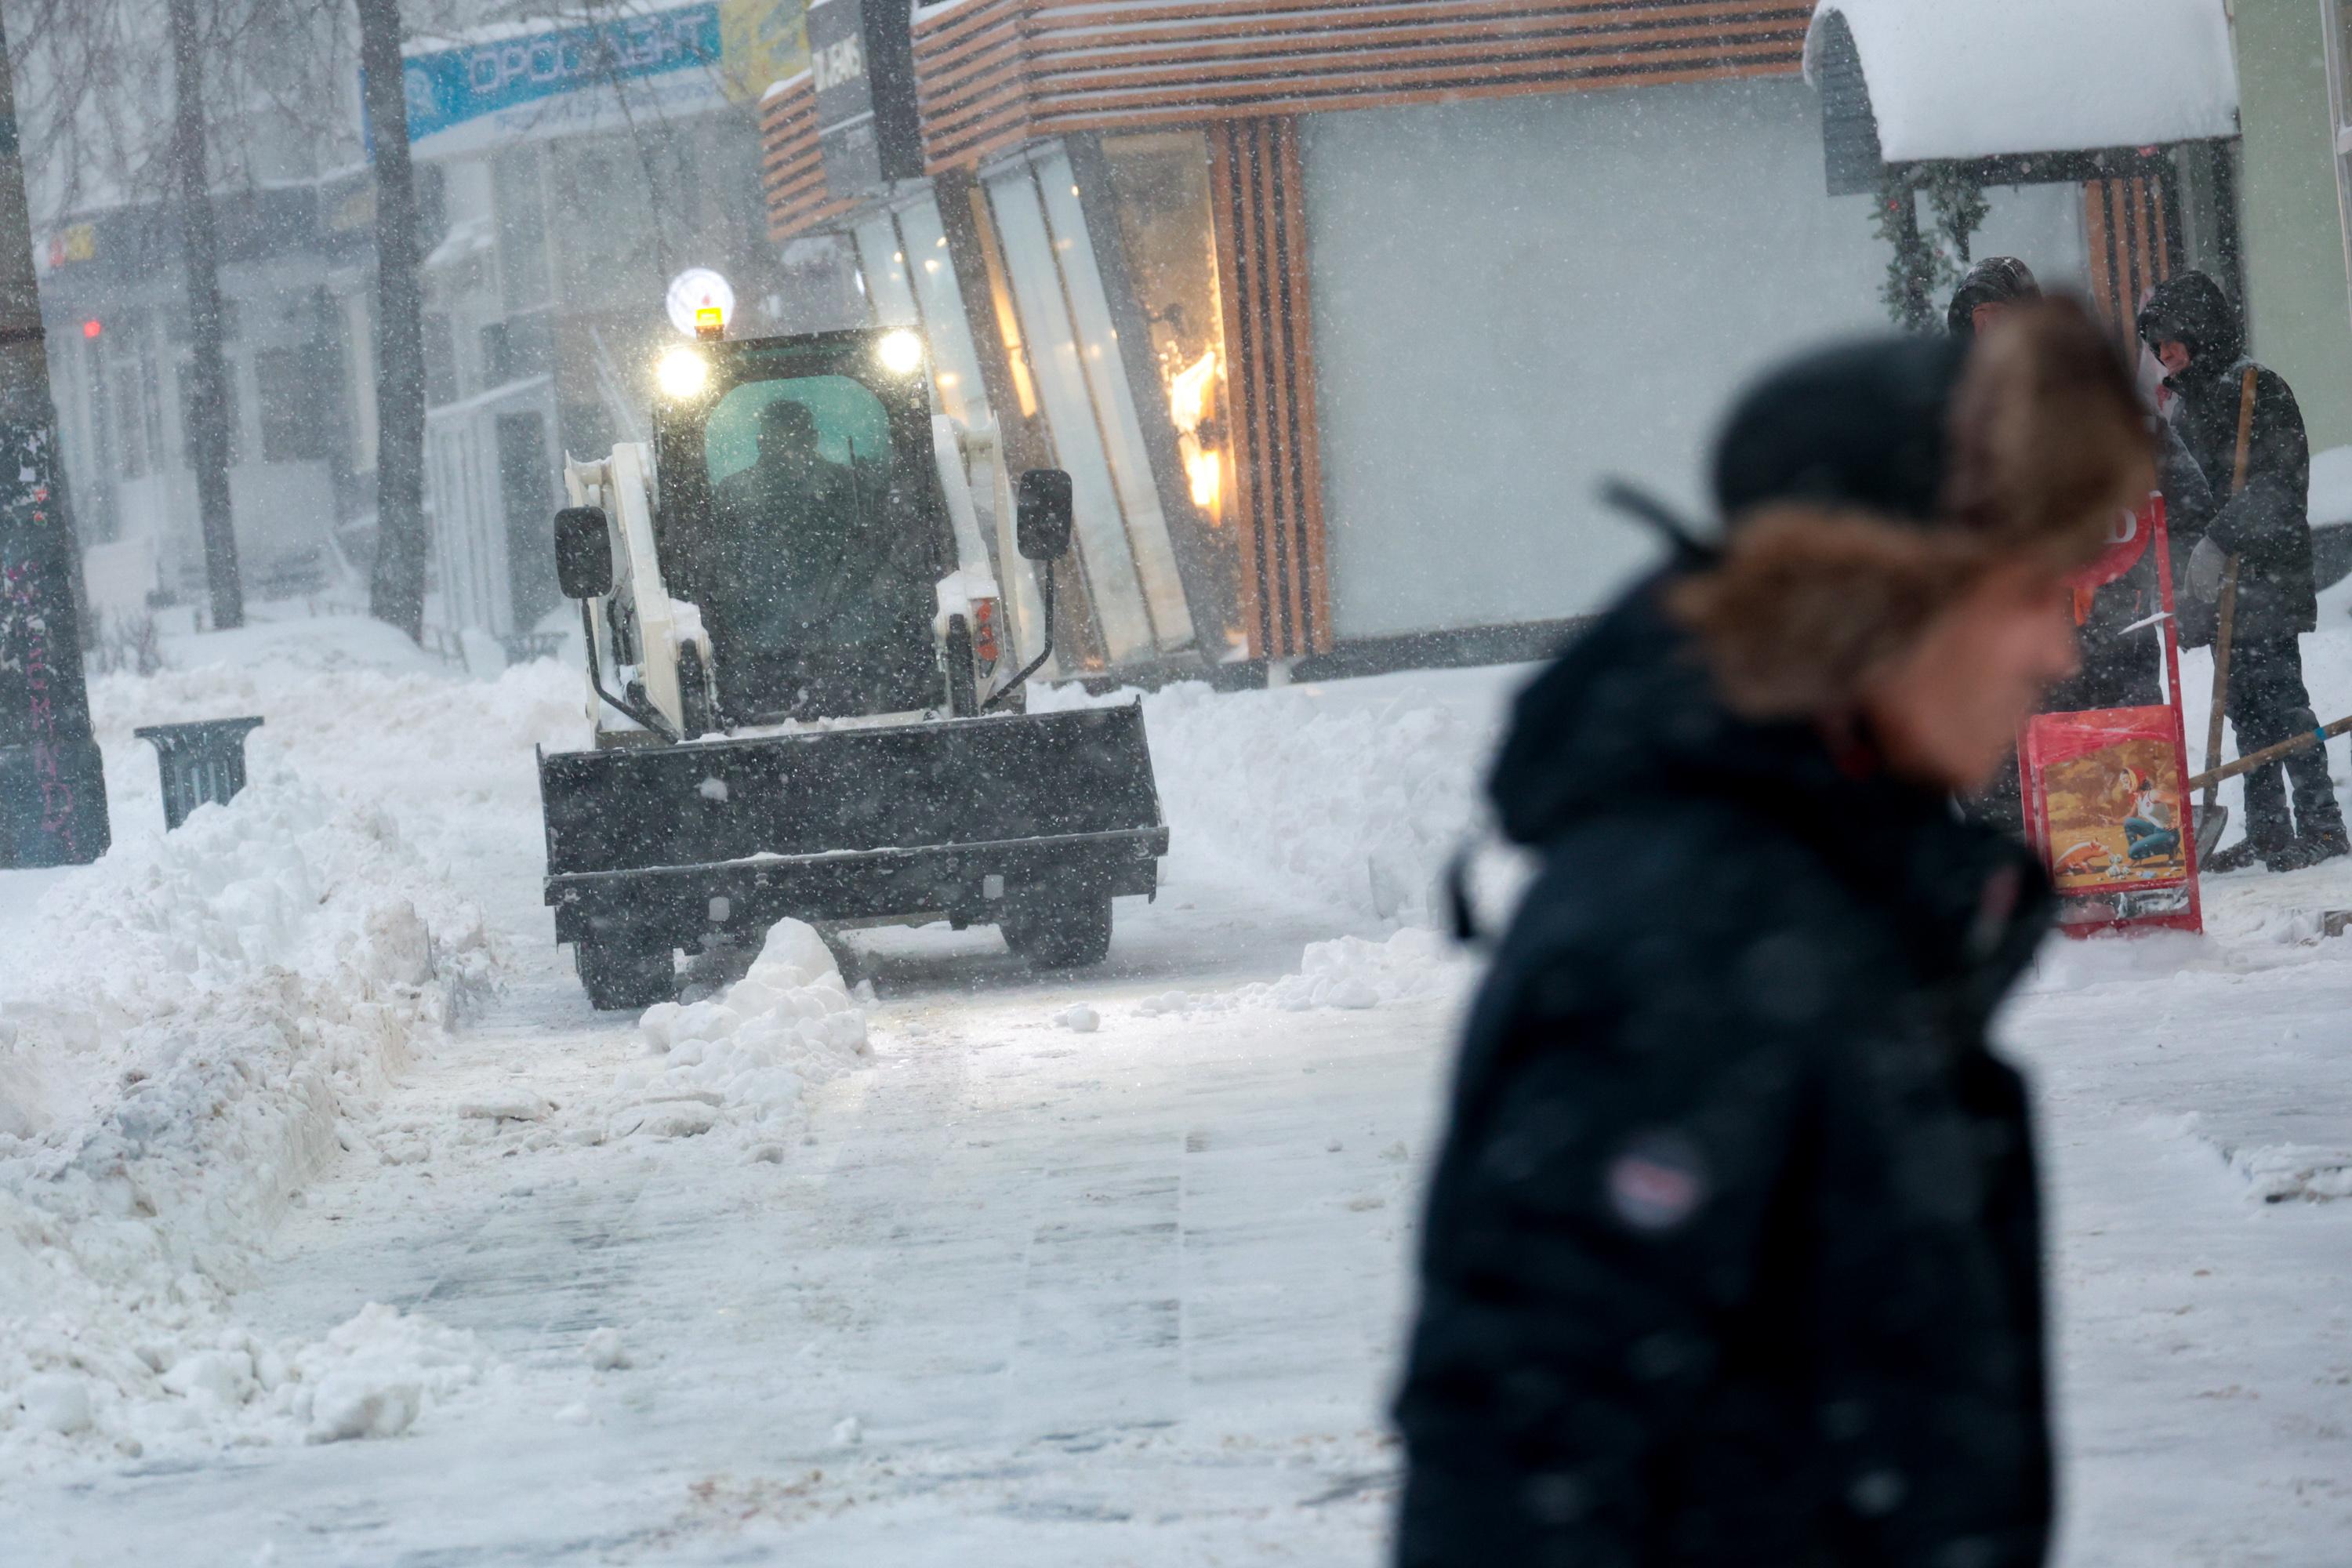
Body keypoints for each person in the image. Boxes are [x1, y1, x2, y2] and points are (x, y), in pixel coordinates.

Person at [1393, 299, 2155, 1568]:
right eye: (2030, 589)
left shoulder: (1819, 893)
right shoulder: (1686, 941)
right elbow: (1522, 1476)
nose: (2060, 646)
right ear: (1880, 604)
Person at [1947, 258, 2213, 833]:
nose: (1990, 334)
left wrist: (2168, 566)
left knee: (2118, 746)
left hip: (2114, 619)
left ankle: (2135, 858)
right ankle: (2021, 852)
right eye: (1980, 321)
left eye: (2002, 318)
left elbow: (2185, 495)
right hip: (2012, 633)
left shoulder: (2099, 407)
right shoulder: (1954, 425)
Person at [2137, 271, 2347, 871]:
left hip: (2266, 578)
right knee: (2246, 710)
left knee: (2283, 701)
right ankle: (2269, 832)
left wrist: (2219, 540)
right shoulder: (2185, 409)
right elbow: (2183, 500)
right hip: (2222, 588)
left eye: (2171, 339)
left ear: (2201, 330)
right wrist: (2177, 567)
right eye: (2155, 347)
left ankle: (2323, 824)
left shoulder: (2258, 389)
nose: (2164, 354)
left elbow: (2277, 485)